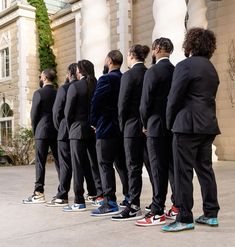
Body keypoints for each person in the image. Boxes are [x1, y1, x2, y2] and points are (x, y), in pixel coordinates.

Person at [162, 27, 220, 232]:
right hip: (208, 125)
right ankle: (211, 213)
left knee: (182, 172)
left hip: (186, 126)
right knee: (205, 170)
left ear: (190, 44)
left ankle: (185, 217)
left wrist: (169, 123)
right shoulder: (211, 68)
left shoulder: (184, 66)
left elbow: (174, 98)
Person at [136, 38, 177, 226]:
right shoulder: (176, 70)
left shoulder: (153, 71)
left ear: (157, 49)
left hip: (154, 126)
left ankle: (157, 211)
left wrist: (144, 123)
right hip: (173, 127)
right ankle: (176, 207)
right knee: (171, 167)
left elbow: (145, 103)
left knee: (157, 169)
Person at [112, 44, 150, 221]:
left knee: (133, 167)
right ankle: (158, 203)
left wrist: (122, 127)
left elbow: (122, 104)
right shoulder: (149, 72)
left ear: (132, 56)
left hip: (132, 127)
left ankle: (134, 205)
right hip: (149, 127)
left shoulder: (128, 75)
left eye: (128, 55)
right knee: (151, 167)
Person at [90, 50, 129, 216]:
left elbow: (96, 102)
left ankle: (110, 202)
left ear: (110, 61)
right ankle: (128, 197)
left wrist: (93, 122)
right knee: (121, 165)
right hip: (121, 129)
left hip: (106, 128)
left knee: (105, 165)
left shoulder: (106, 78)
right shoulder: (124, 78)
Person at [63, 60, 101, 212]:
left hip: (77, 130)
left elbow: (68, 113)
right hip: (93, 130)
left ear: (80, 71)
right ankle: (100, 196)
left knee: (78, 166)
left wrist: (70, 127)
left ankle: (79, 200)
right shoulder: (96, 85)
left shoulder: (75, 86)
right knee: (96, 164)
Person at [23, 69, 59, 204]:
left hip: (41, 132)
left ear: (44, 77)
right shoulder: (57, 92)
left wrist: (35, 131)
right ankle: (63, 192)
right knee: (59, 162)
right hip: (56, 132)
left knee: (40, 163)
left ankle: (39, 193)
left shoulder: (38, 93)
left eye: (40, 76)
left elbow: (34, 115)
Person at [46, 63, 77, 207]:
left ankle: (62, 194)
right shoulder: (86, 86)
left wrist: (61, 128)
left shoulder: (64, 89)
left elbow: (56, 112)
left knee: (65, 164)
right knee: (83, 164)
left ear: (68, 74)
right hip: (81, 131)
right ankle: (92, 193)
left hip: (65, 131)